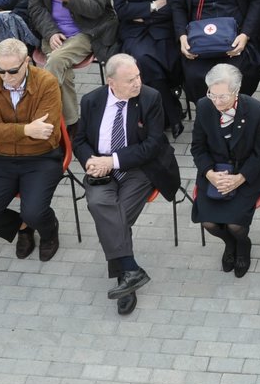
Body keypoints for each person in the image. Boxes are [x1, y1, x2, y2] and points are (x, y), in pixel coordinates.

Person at [71, 54, 182, 317]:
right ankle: (130, 271)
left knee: (113, 215)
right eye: (130, 80)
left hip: (140, 168)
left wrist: (113, 161)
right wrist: (90, 161)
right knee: (100, 204)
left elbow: (153, 145)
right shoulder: (92, 101)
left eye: (138, 77)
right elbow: (80, 141)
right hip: (100, 170)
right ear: (111, 82)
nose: (137, 83)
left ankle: (126, 278)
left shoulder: (150, 98)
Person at [0, 38, 64, 264]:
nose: (6, 77)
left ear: (27, 62)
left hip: (41, 157)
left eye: (12, 70)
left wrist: (10, 132)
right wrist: (27, 129)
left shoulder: (47, 83)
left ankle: (49, 231)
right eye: (0, 70)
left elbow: (46, 131)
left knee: (34, 212)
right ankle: (23, 227)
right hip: (4, 158)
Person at [26, 0, 118, 127]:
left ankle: (41, 110)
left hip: (85, 31)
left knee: (56, 61)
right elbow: (35, 7)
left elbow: (97, 9)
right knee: (63, 71)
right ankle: (71, 124)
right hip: (54, 32)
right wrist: (50, 32)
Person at [190, 64, 260, 279]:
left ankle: (242, 245)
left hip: (246, 171)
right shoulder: (204, 106)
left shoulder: (256, 111)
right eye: (212, 95)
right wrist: (209, 174)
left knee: (236, 225)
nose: (217, 102)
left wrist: (240, 179)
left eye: (223, 97)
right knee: (209, 223)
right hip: (214, 171)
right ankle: (229, 243)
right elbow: (198, 147)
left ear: (236, 91)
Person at [108, 0, 183, 133]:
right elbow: (121, 9)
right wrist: (152, 6)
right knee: (144, 61)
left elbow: (173, 4)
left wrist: (140, 13)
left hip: (163, 30)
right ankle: (171, 113)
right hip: (134, 32)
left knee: (156, 62)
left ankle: (165, 115)